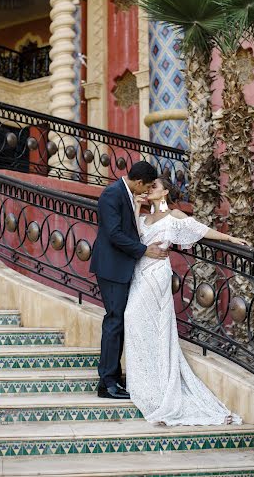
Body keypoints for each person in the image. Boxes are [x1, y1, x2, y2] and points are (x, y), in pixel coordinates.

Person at [124, 176, 247, 425]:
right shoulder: (144, 216)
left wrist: (230, 239)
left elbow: (200, 229)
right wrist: (137, 207)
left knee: (147, 322)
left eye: (154, 186)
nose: (149, 189)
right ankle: (145, 382)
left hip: (157, 274)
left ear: (166, 192)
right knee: (134, 320)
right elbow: (135, 238)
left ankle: (159, 387)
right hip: (140, 271)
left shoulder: (175, 215)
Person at [90, 161, 169, 400]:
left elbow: (132, 226)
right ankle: (107, 383)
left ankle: (114, 377)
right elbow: (114, 234)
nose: (146, 192)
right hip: (112, 268)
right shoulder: (111, 195)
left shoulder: (126, 193)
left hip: (120, 268)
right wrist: (145, 250)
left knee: (119, 322)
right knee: (114, 322)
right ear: (138, 182)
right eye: (145, 187)